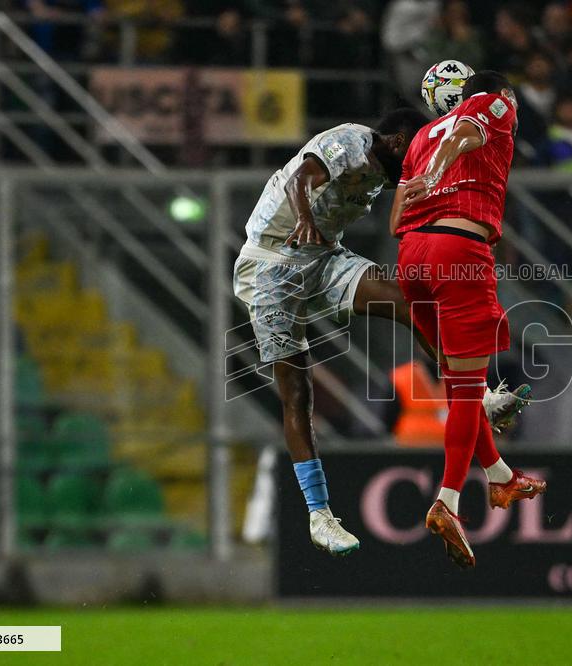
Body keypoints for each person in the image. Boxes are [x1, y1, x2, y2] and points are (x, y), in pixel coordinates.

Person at [233, 108, 528, 558]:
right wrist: (306, 217)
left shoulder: (390, 173)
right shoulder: (350, 140)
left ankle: (477, 397)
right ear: (395, 141)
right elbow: (301, 179)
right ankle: (319, 515)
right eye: (411, 153)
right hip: (272, 262)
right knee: (298, 391)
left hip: (323, 259)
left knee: (417, 308)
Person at [390, 71, 548, 569]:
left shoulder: (419, 134)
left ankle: (500, 476)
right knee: (466, 388)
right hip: (459, 252)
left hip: (411, 257)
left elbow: (396, 218)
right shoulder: (493, 109)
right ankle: (448, 501)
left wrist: (429, 178)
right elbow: (462, 136)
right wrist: (440, 171)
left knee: (461, 384)